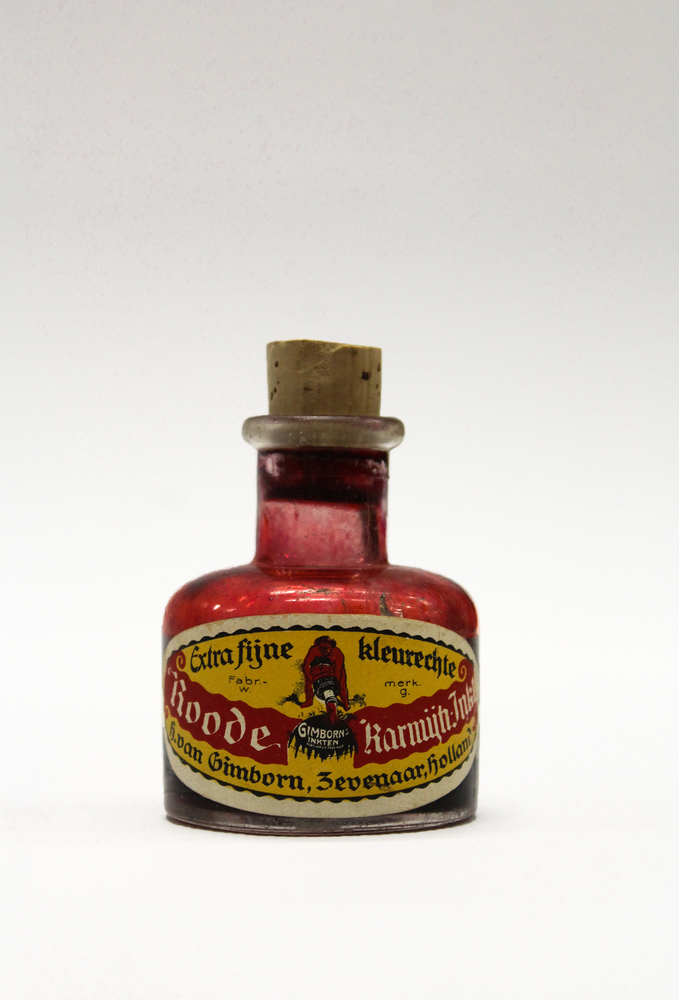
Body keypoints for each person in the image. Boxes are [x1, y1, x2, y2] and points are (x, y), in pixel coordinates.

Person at [299, 635, 349, 723]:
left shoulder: (337, 653)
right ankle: (309, 700)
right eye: (322, 648)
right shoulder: (314, 650)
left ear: (331, 646)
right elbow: (306, 665)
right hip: (317, 668)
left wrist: (334, 684)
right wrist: (311, 678)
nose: (324, 650)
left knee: (342, 683)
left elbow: (338, 671)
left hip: (334, 669)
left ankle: (345, 703)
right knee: (308, 679)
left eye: (327, 648)